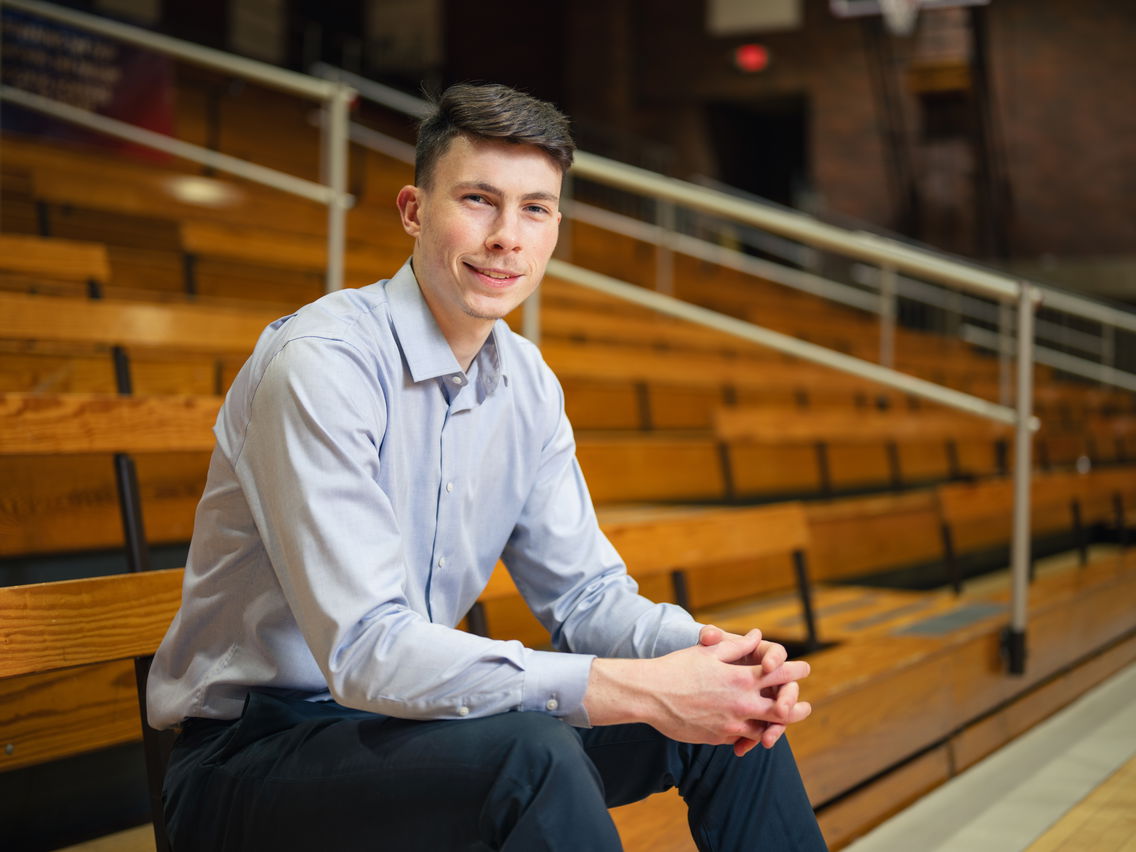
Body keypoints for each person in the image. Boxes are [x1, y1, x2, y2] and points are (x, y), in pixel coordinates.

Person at [147, 81, 827, 852]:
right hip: (250, 761)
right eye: (478, 199)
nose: (508, 235)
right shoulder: (322, 365)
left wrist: (712, 657)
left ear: (556, 226)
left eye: (534, 208)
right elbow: (367, 651)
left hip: (408, 728)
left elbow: (586, 596)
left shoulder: (527, 381)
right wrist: (635, 688)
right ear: (412, 209)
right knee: (531, 756)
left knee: (732, 719)